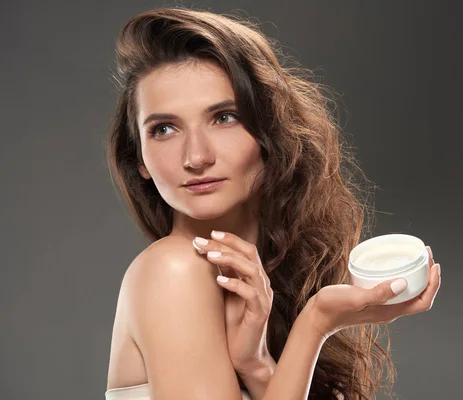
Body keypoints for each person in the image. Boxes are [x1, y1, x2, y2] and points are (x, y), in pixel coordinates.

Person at [104, 7, 441, 400]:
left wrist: (257, 365)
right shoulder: (174, 270)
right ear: (140, 159)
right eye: (164, 129)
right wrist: (316, 323)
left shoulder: (259, 291)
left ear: (270, 131)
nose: (195, 157)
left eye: (224, 117)